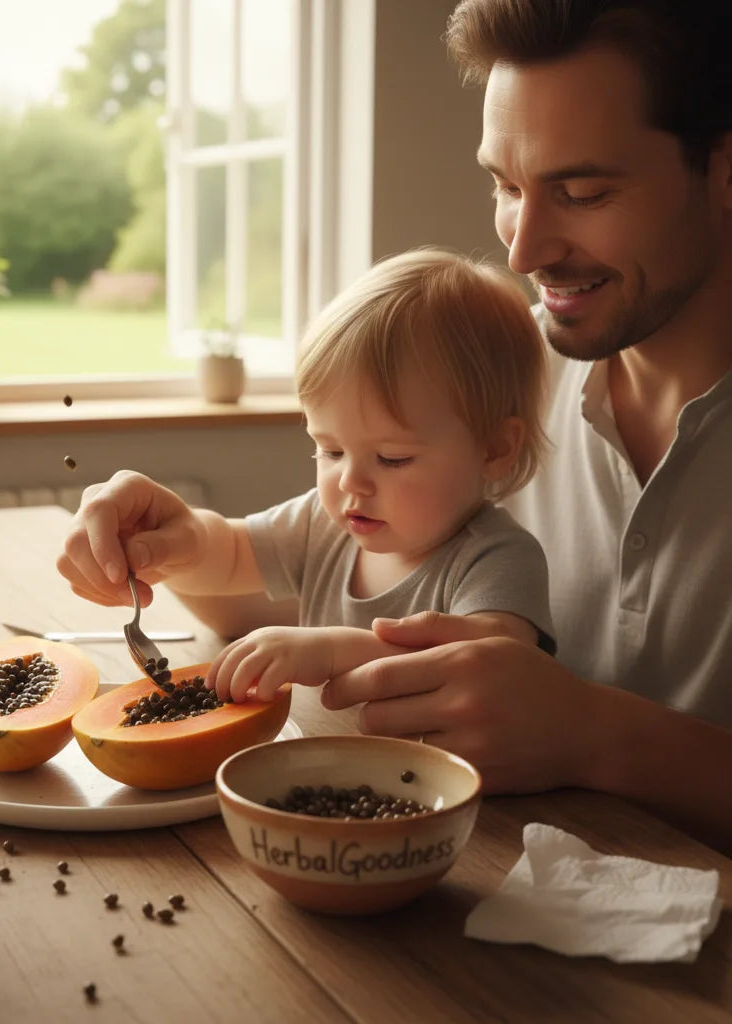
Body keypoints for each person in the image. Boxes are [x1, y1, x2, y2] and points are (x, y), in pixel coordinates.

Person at [319, 0, 732, 851]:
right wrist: (171, 541)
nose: (522, 248)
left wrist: (591, 733)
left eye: (581, 192)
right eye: (506, 187)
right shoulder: (501, 381)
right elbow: (313, 559)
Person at [59, 247, 555, 703]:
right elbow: (228, 554)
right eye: (331, 450)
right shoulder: (326, 522)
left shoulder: (498, 559)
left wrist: (333, 652)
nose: (349, 483)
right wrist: (168, 546)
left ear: (494, 448)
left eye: (393, 458)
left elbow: (492, 672)